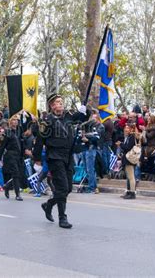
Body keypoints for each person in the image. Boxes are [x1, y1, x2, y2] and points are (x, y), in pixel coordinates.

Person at [33, 93, 89, 229]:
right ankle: (62, 218)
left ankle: (49, 204)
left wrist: (85, 110)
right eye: (58, 102)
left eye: (61, 101)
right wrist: (37, 160)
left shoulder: (68, 117)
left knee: (68, 188)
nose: (61, 103)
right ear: (52, 106)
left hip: (68, 156)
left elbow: (83, 117)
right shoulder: (46, 121)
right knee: (62, 187)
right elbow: (40, 141)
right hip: (55, 157)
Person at [0, 115, 24, 201]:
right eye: (13, 120)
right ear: (10, 122)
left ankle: (7, 186)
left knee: (20, 174)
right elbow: (3, 145)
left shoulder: (18, 131)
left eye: (16, 120)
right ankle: (17, 194)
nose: (15, 121)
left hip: (18, 155)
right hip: (10, 155)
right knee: (15, 174)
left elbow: (21, 143)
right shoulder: (7, 132)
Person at [118, 124, 139, 199]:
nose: (125, 130)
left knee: (131, 177)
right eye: (125, 128)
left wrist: (121, 144)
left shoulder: (132, 137)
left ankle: (132, 193)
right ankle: (129, 192)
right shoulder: (128, 137)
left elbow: (128, 147)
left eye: (127, 128)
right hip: (127, 158)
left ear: (131, 130)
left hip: (129, 159)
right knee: (129, 177)